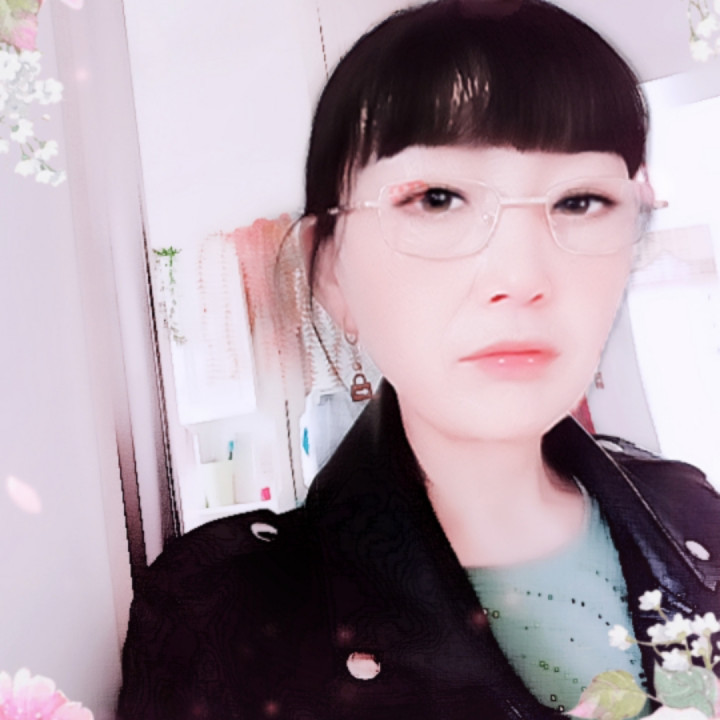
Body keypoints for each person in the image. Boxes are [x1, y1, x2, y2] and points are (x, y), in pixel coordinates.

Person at [117, 1, 720, 718]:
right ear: (330, 270)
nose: (521, 276)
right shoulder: (224, 618)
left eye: (581, 201)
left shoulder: (693, 511)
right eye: (437, 198)